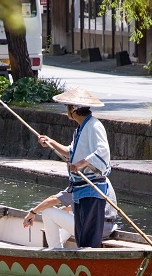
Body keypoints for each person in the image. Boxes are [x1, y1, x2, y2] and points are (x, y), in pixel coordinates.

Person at [36, 87, 112, 248]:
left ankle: (89, 263)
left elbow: (102, 150)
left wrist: (80, 164)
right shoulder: (80, 128)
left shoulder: (94, 126)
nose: (67, 111)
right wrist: (51, 142)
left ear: (74, 109)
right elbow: (71, 152)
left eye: (68, 107)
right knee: (81, 233)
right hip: (80, 189)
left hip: (92, 188)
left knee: (88, 235)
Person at [22, 183, 118, 249]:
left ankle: (56, 251)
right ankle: (61, 242)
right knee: (71, 212)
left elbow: (53, 199)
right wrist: (65, 209)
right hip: (108, 229)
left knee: (47, 211)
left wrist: (32, 212)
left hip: (92, 230)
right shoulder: (104, 181)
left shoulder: (85, 181)